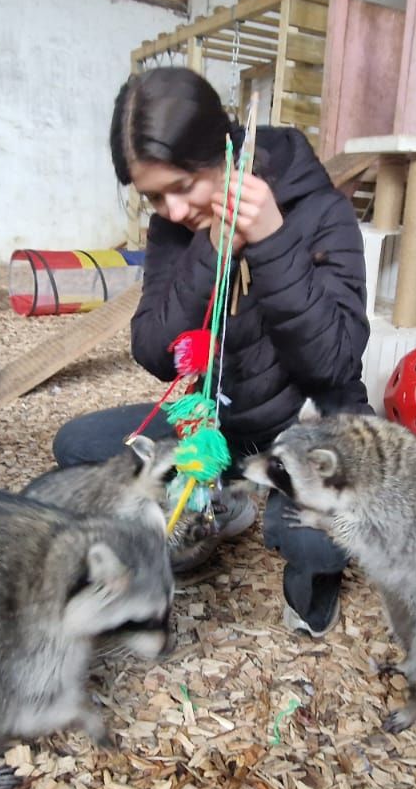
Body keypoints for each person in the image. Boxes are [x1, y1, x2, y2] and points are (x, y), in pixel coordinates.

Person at [50, 67, 371, 637]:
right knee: (78, 445)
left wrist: (272, 240)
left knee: (316, 538)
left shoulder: (322, 210)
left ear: (223, 152)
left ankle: (311, 580)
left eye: (182, 186)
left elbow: (334, 364)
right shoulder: (176, 229)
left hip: (305, 423)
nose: (172, 209)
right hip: (217, 420)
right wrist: (208, 250)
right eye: (154, 196)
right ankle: (223, 496)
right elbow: (152, 350)